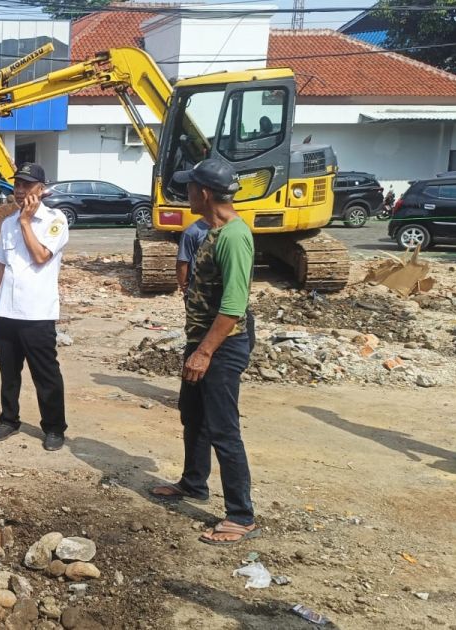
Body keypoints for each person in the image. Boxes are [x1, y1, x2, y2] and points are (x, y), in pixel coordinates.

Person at [150, 158, 258, 546]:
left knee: (223, 428)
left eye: (191, 188)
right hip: (203, 341)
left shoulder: (234, 237)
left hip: (222, 346)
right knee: (193, 414)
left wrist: (205, 352)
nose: (187, 193)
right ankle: (194, 483)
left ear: (206, 193)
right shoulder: (211, 230)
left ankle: (241, 515)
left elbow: (233, 307)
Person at [0, 163, 70, 451]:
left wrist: (25, 222)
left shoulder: (55, 220)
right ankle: (9, 420)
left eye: (27, 185)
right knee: (9, 374)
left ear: (41, 189)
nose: (20, 190)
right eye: (18, 184)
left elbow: (40, 256)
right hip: (6, 312)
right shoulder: (7, 223)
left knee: (46, 375)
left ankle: (54, 428)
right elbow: (2, 266)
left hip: (36, 313)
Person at [176, 218, 211, 293]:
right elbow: (182, 262)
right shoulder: (192, 232)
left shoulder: (227, 229)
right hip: (198, 287)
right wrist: (184, 288)